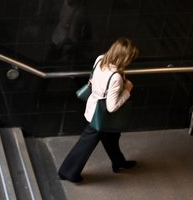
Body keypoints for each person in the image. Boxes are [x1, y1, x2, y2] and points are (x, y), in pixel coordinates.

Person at [58, 37, 139, 183]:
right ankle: (67, 172)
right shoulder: (116, 77)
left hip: (93, 106)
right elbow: (111, 107)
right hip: (101, 116)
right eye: (130, 59)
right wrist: (127, 91)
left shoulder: (100, 59)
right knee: (86, 144)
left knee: (112, 138)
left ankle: (119, 163)